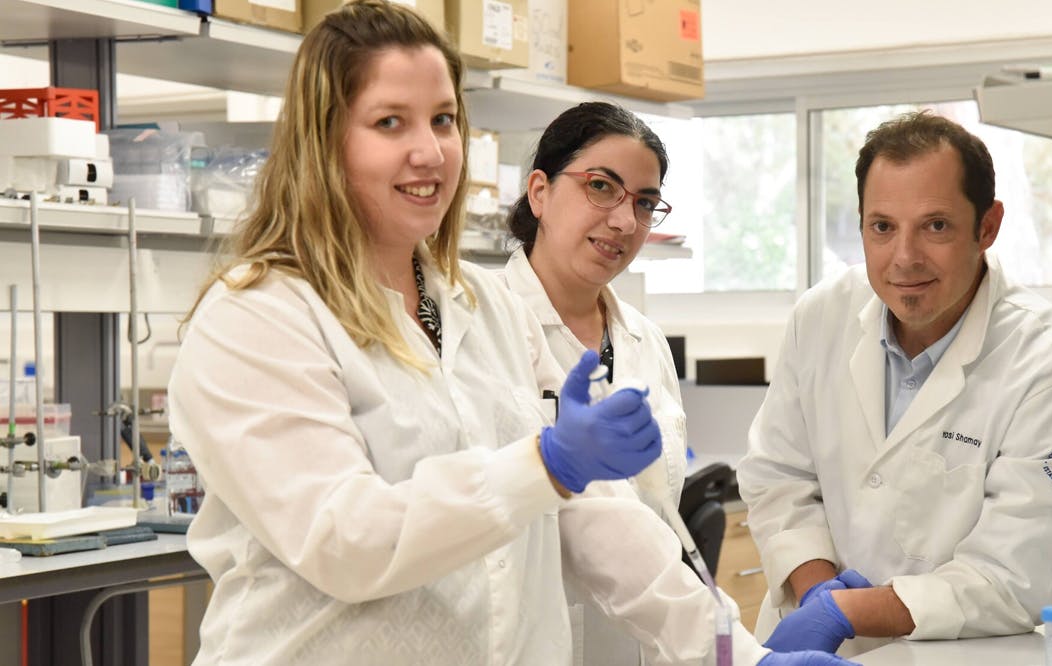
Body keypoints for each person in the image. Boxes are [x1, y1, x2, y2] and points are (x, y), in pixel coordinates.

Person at [169, 2, 850, 664]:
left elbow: (600, 522)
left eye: (443, 120)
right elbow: (346, 541)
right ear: (324, 142)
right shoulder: (258, 316)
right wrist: (544, 465)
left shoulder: (484, 307)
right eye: (389, 122)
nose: (429, 151)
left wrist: (736, 654)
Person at [737, 111, 1052, 657]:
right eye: (882, 226)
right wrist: (817, 590)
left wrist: (847, 612)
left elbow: (1014, 576)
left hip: (950, 652)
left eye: (935, 225)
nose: (905, 257)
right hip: (807, 646)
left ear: (987, 226)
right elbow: (778, 477)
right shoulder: (822, 316)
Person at [500, 101, 702, 665]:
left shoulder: (645, 341)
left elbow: (655, 528)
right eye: (600, 186)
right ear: (539, 192)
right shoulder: (487, 330)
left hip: (647, 646)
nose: (623, 221)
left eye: (643, 203)